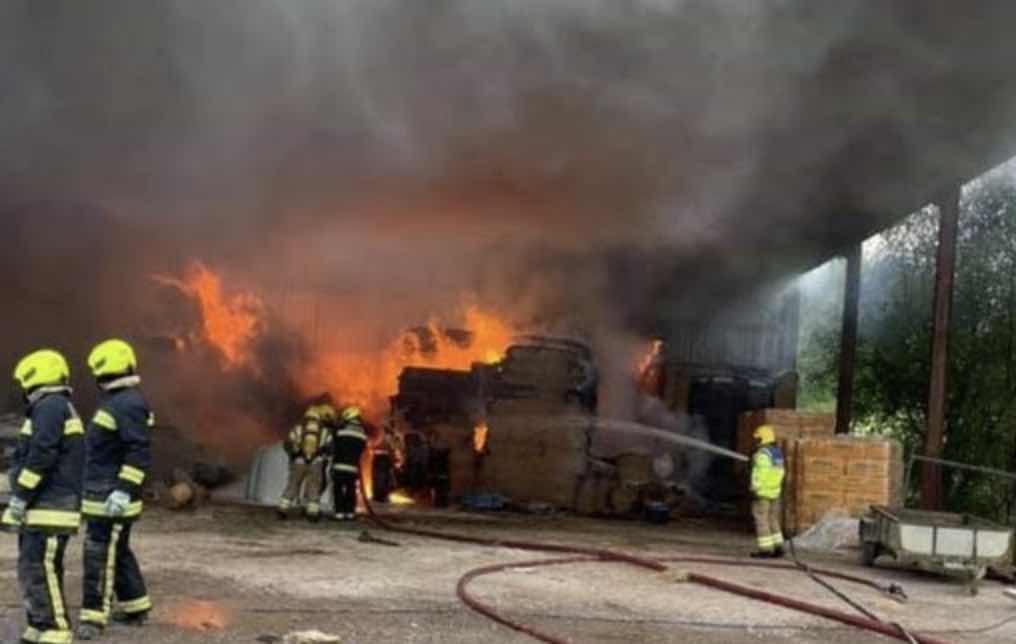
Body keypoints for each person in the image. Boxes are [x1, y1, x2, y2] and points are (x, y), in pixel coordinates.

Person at [2, 349, 84, 644]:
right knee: (33, 568)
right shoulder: (51, 407)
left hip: (50, 506)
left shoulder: (51, 406)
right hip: (44, 505)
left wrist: (20, 496)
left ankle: (56, 628)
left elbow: (41, 456)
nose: (22, 389)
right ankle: (39, 623)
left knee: (42, 567)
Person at [78, 339, 154, 639]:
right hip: (104, 494)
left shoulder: (127, 403)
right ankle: (137, 606)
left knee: (98, 556)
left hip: (111, 497)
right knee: (117, 552)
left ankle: (93, 618)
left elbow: (138, 452)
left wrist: (123, 490)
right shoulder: (119, 401)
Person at [277, 404, 334, 521]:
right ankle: (312, 513)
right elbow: (330, 448)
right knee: (314, 487)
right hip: (316, 463)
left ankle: (282, 509)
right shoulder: (324, 430)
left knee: (293, 484)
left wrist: (295, 454)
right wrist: (322, 455)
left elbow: (287, 444)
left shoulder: (298, 428)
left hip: (299, 462)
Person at [750, 424, 786, 558]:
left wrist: (755, 487)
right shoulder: (777, 453)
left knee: (761, 520)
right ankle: (779, 547)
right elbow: (779, 472)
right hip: (775, 492)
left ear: (762, 439)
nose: (756, 441)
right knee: (773, 519)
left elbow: (761, 473)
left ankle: (765, 550)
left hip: (763, 493)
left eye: (757, 439)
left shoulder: (762, 454)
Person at [331, 406, 367, 521]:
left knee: (338, 489)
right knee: (351, 489)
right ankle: (350, 512)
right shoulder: (362, 432)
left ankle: (339, 513)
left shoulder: (341, 429)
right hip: (353, 467)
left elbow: (334, 443)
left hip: (339, 465)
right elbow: (363, 448)